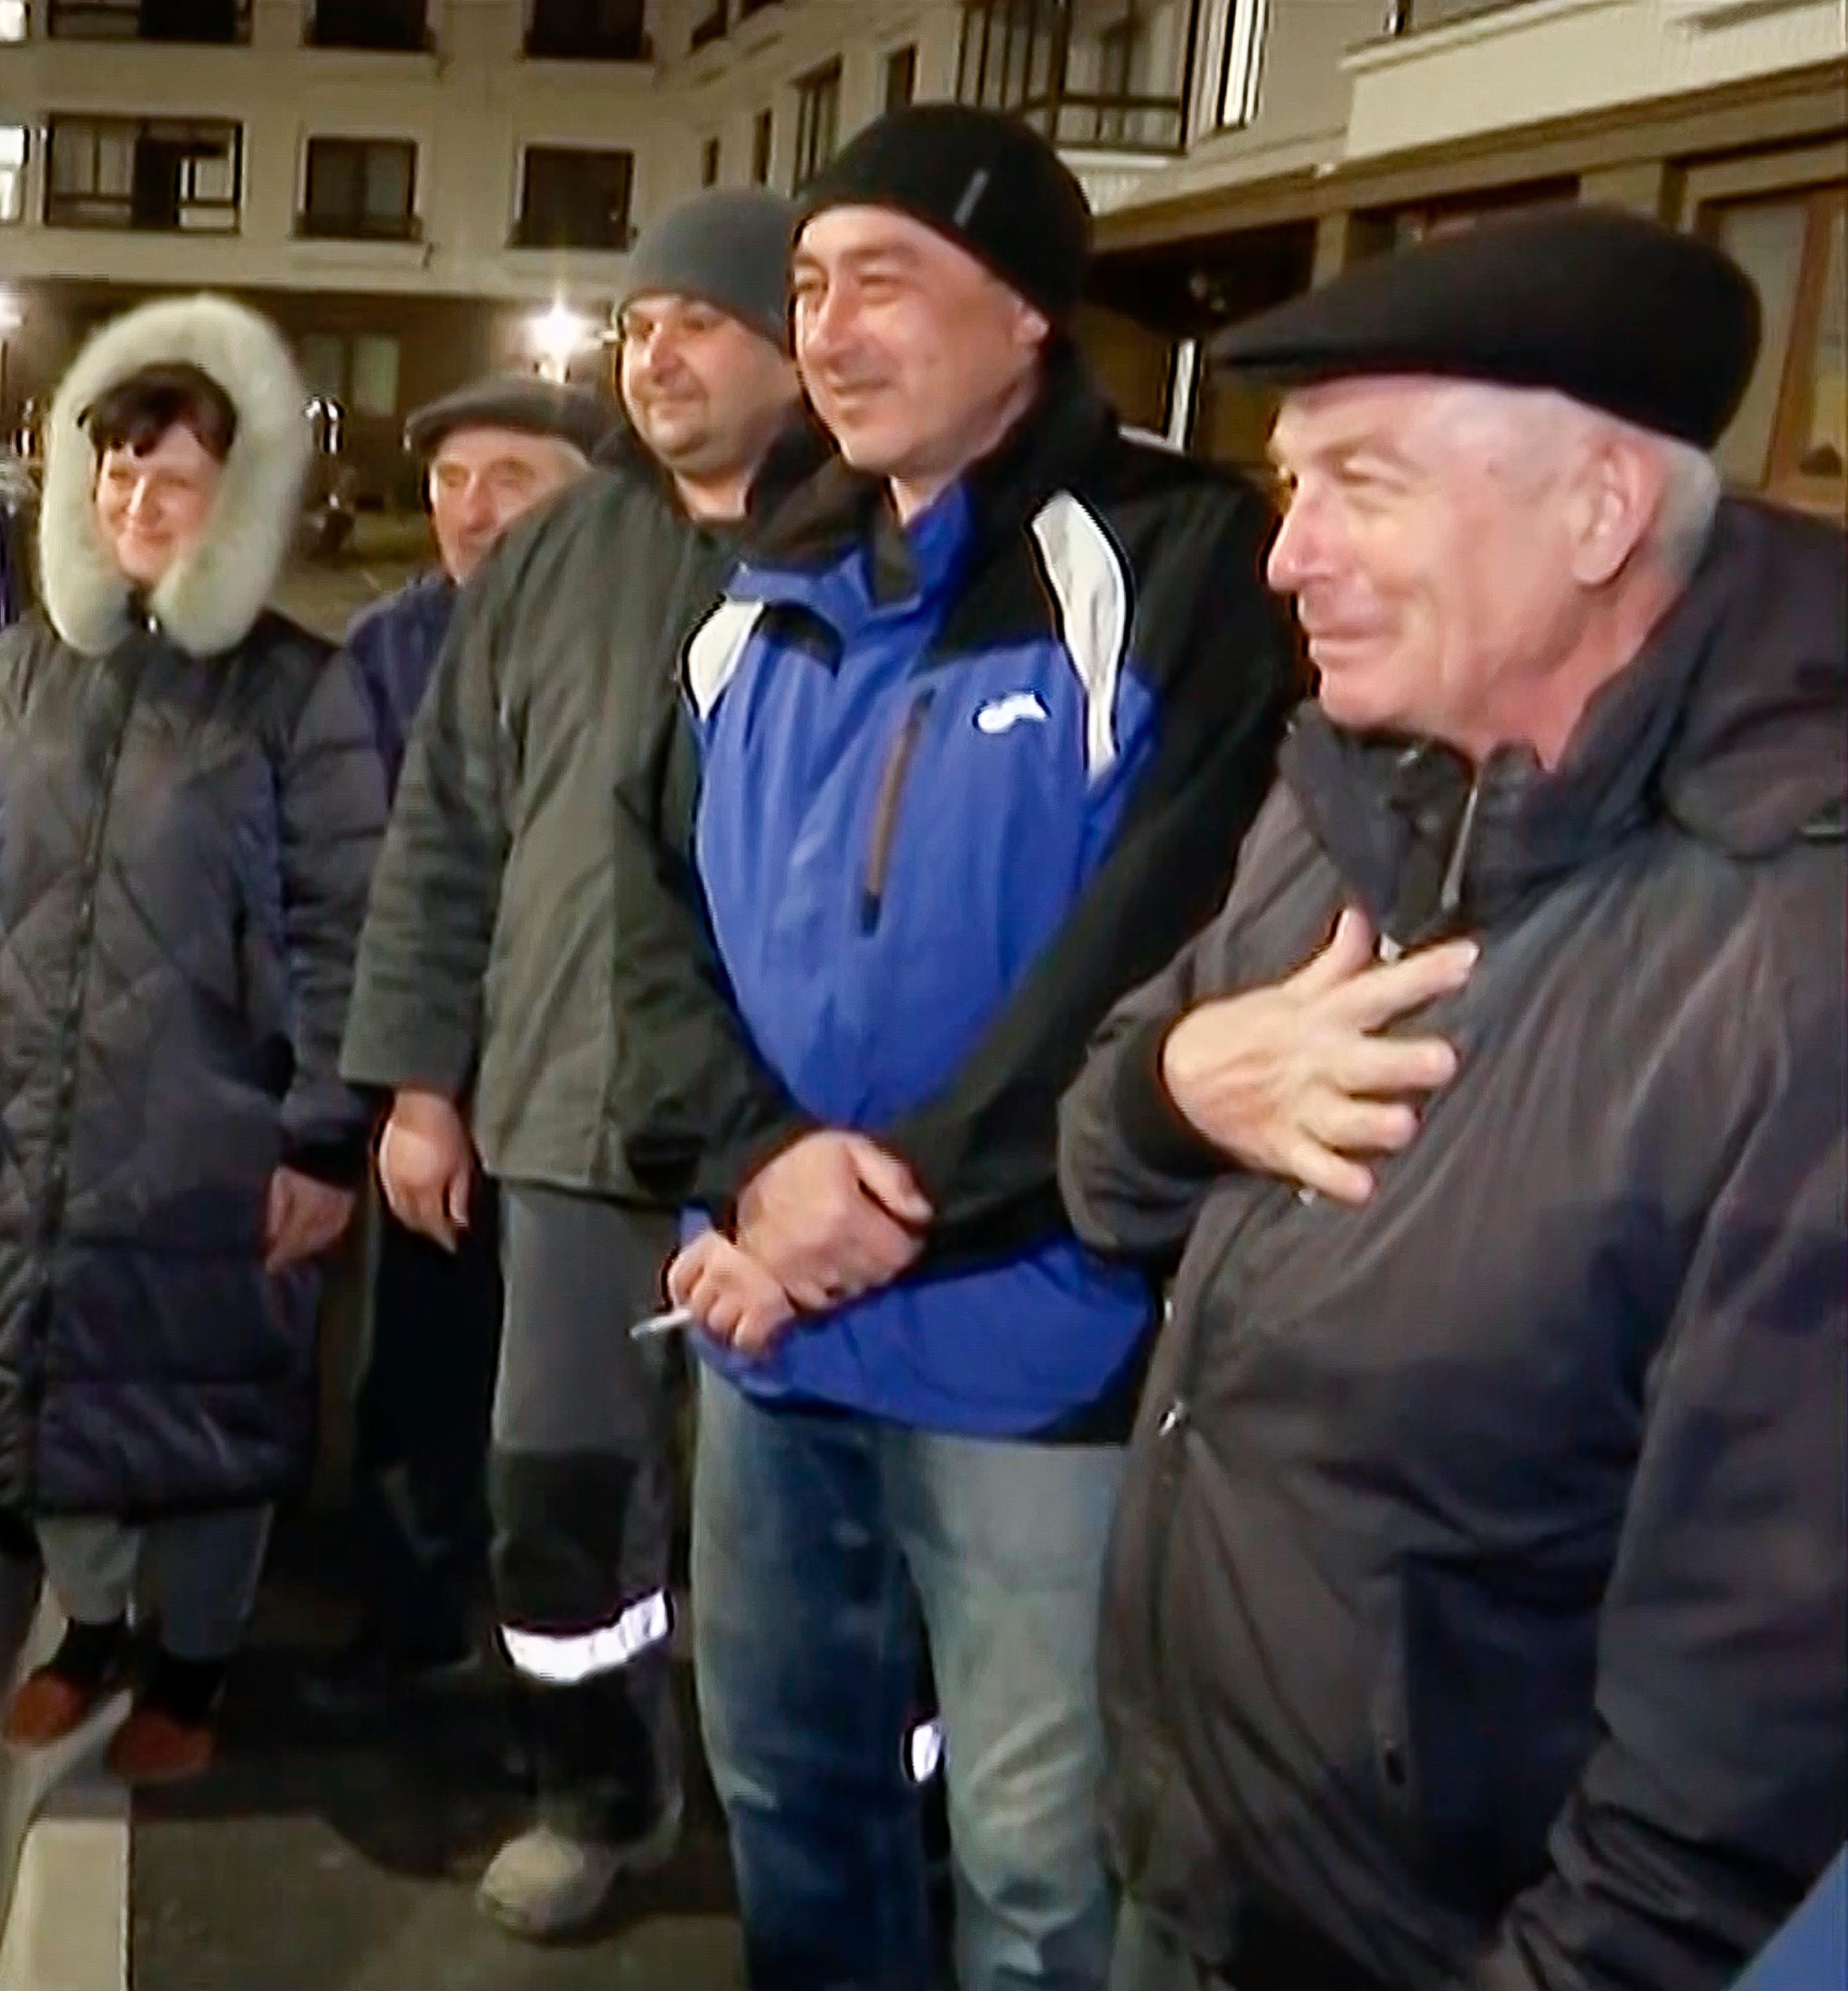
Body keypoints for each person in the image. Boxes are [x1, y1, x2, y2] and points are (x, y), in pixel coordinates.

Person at [1057, 204, 1846, 1991]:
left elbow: (1743, 1763)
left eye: (1362, 482)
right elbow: (1101, 1165)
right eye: (1290, 485)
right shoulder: (1354, 792)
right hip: (1203, 1873)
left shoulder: (1795, 959)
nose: (1285, 556)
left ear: (1597, 513)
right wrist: (1180, 1087)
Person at [613, 108, 1298, 1991]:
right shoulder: (762, 590)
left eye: (886, 281)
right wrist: (754, 1171)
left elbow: (1158, 944)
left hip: (1033, 1341)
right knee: (790, 1795)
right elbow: (649, 915)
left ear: (1026, 313)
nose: (828, 331)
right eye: (809, 285)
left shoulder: (1173, 565)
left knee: (1040, 1864)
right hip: (771, 1331)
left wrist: (877, 1206)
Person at [345, 187, 807, 1941]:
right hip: (563, 1116)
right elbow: (446, 832)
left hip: (796, 1147)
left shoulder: (872, 542)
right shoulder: (556, 562)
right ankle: (596, 1800)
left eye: (702, 322)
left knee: (802, 1527)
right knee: (557, 1502)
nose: (656, 354)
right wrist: (421, 1082)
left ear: (795, 348)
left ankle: (838, 1825)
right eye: (639, 325)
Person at [0, 295, 387, 1788]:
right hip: (31, 1119)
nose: (138, 505)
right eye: (115, 475)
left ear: (240, 501)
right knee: (48, 1395)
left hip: (209, 1136)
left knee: (210, 1412)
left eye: (174, 480)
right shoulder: (27, 672)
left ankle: (197, 1661)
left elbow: (346, 922)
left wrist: (324, 1135)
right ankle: (91, 1627)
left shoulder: (297, 689)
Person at [300, 372, 614, 1729]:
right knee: (419, 1371)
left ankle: (576, 1674)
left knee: (580, 1403)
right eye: (450, 483)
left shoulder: (640, 631)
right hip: (442, 1079)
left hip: (593, 1087)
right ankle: (411, 1624)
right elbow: (383, 881)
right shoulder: (389, 650)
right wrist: (410, 1085)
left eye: (512, 480)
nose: (474, 511)